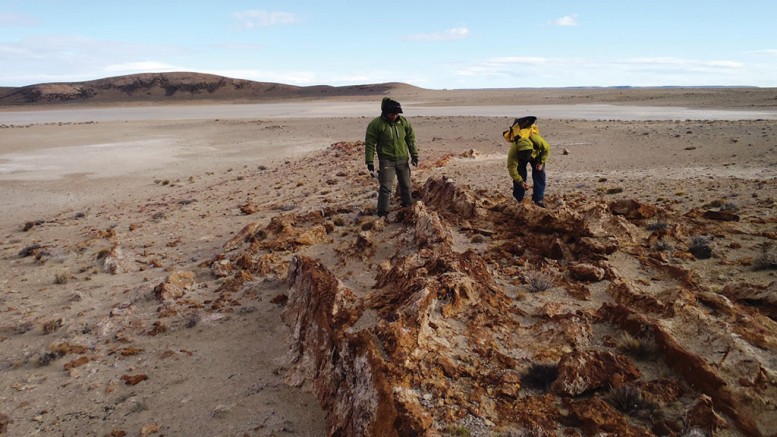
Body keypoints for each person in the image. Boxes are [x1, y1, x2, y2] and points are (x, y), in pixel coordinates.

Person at [364, 97, 419, 217]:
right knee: (386, 187)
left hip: (402, 159)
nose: (394, 116)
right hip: (387, 161)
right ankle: (382, 212)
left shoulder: (403, 122)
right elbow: (370, 144)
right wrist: (369, 161)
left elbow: (410, 139)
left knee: (406, 185)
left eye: (396, 114)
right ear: (385, 112)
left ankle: (407, 207)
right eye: (392, 114)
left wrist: (414, 155)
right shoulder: (376, 124)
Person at [506, 116, 551, 207]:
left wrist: (541, 162)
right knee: (520, 174)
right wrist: (520, 181)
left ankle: (538, 199)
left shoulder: (536, 140)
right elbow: (511, 167)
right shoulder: (514, 150)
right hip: (520, 159)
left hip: (536, 155)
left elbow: (546, 149)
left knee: (539, 173)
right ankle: (518, 198)